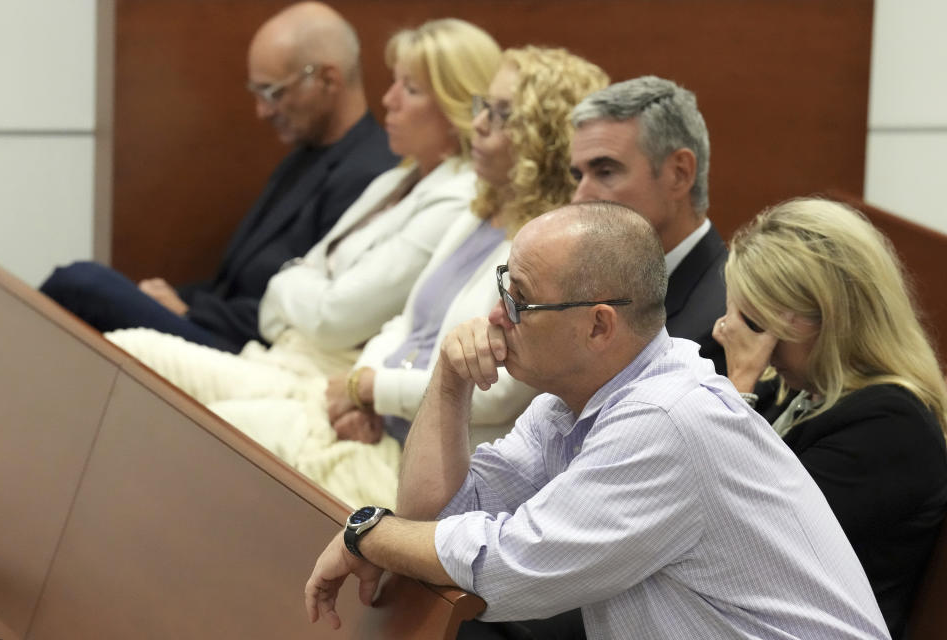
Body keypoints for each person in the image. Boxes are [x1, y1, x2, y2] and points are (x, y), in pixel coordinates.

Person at [303, 201, 891, 640]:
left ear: (599, 326)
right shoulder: (568, 407)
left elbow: (508, 569)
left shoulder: (666, 420)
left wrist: (367, 531)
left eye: (519, 301)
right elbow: (437, 518)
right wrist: (449, 380)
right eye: (503, 288)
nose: (495, 317)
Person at [102, 19, 503, 508]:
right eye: (394, 81)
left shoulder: (458, 197)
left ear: (456, 105)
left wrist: (301, 288)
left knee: (172, 425)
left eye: (411, 88)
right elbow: (295, 297)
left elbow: (337, 318)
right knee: (121, 354)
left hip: (314, 378)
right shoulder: (394, 181)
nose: (390, 99)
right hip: (282, 357)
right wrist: (302, 287)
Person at [40, 2, 397, 353]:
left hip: (254, 348)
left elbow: (320, 311)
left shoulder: (371, 176)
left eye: (274, 93)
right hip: (216, 320)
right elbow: (230, 283)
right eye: (257, 93)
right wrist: (173, 299)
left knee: (80, 284)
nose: (263, 111)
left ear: (327, 79)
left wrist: (191, 310)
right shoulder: (303, 157)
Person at [324, 46, 610, 449]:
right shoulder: (479, 211)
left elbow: (496, 390)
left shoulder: (553, 252)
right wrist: (360, 393)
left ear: (547, 139)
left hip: (445, 462)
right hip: (380, 429)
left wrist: (373, 389)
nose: (477, 124)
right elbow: (404, 323)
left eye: (500, 114)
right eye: (483, 106)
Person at [712, 197, 947, 639]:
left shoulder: (892, 427)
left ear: (829, 320)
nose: (727, 332)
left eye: (754, 322)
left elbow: (738, 542)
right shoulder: (792, 393)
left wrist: (737, 386)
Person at [568, 76, 727, 374]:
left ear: (679, 174)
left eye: (605, 171)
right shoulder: (591, 291)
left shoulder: (725, 322)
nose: (580, 198)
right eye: (578, 177)